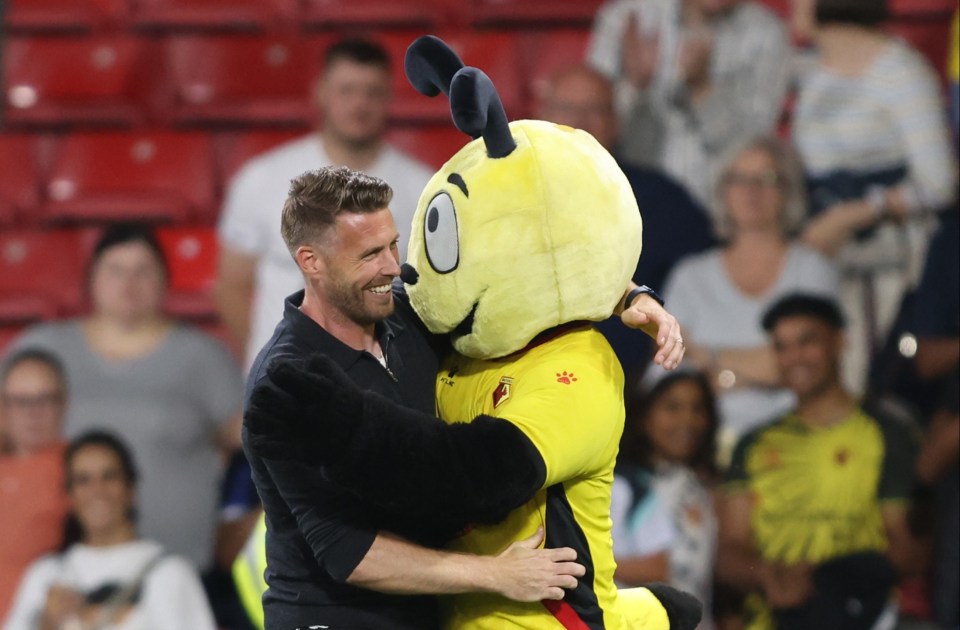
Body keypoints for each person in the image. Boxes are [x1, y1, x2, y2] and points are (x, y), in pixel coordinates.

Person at [241, 164, 688, 629]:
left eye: (394, 245)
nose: (392, 267)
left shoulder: (405, 312)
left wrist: (633, 296)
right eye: (370, 254)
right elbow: (349, 553)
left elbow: (516, 284)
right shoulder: (287, 387)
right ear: (310, 260)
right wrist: (495, 574)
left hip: (428, 612)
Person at [11, 223, 244, 570]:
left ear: (165, 280)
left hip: (176, 564)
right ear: (91, 279)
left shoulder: (202, 356)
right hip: (57, 566)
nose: (128, 284)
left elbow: (253, 439)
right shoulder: (43, 348)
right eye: (115, 270)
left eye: (143, 271)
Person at [216, 37, 434, 370]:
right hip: (283, 386)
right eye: (346, 90)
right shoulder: (262, 179)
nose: (359, 104)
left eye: (372, 92)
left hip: (383, 387)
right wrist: (267, 357)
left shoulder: (423, 189)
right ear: (321, 92)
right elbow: (231, 285)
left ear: (389, 97)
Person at [716, 293, 924, 630]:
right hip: (774, 620)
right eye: (781, 346)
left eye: (806, 341)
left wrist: (829, 579)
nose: (793, 357)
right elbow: (730, 551)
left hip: (863, 618)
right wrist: (769, 576)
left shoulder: (888, 433)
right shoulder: (753, 444)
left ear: (840, 342)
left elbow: (907, 546)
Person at [792, 0, 958, 393]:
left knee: (874, 383)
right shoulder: (806, 66)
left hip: (889, 267)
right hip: (825, 257)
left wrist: (852, 215)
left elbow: (939, 184)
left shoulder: (899, 70)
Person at [658, 136, 839, 463]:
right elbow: (667, 376)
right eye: (738, 179)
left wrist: (705, 356)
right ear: (723, 191)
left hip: (799, 446)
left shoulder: (812, 269)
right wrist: (758, 370)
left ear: (788, 192)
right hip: (701, 450)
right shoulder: (690, 276)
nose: (751, 191)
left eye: (766, 179)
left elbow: (804, 365)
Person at [537, 64, 715, 379]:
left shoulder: (663, 201)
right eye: (566, 108)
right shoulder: (509, 198)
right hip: (530, 380)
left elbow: (708, 287)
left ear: (615, 121)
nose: (579, 122)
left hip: (640, 390)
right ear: (539, 117)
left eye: (595, 109)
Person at [3, 431, 216, 630]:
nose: (97, 490)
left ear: (130, 489)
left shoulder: (171, 573)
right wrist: (45, 623)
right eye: (83, 480)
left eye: (109, 477)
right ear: (69, 495)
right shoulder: (46, 574)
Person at [587, 0, 791, 207]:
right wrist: (637, 88)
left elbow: (754, 147)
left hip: (716, 209)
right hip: (631, 200)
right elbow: (592, 132)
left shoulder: (766, 33)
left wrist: (702, 91)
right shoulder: (625, 16)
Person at [612, 369, 720, 629]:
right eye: (672, 407)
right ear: (644, 415)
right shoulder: (622, 486)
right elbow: (653, 570)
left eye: (697, 408)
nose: (688, 420)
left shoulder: (698, 485)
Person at [0, 349, 70, 619]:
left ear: (64, 403)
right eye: (21, 401)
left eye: (45, 399)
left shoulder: (82, 470)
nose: (33, 412)